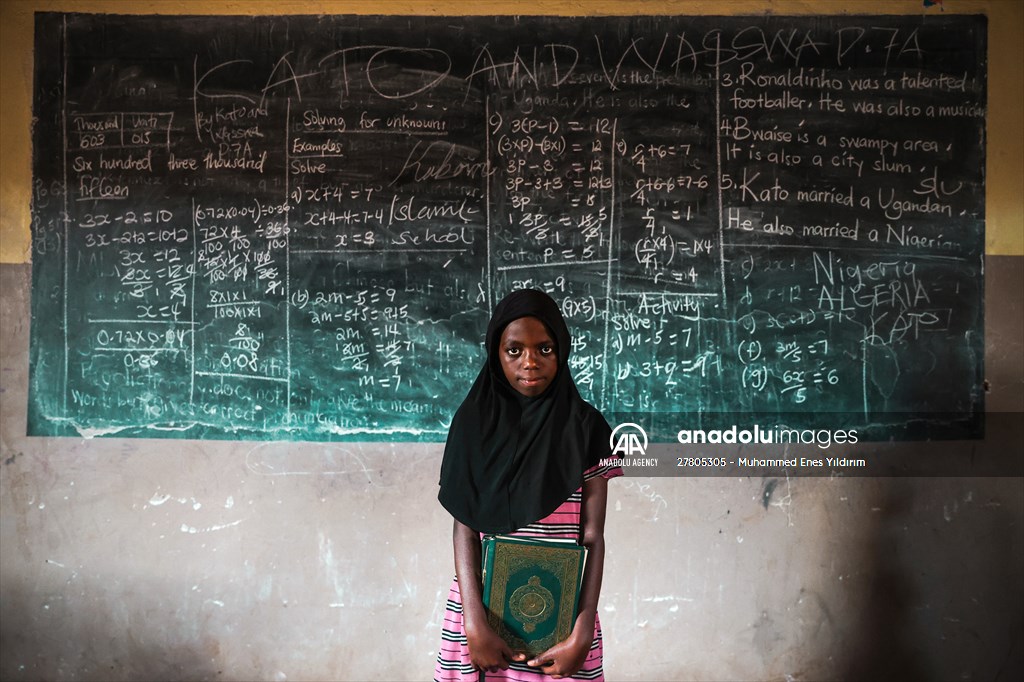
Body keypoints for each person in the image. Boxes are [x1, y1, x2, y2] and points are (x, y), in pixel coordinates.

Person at [435, 289, 622, 681]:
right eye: (514, 350)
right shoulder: (473, 425)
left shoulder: (586, 430)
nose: (531, 361)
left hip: (563, 620)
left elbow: (594, 537)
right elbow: (465, 528)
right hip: (483, 614)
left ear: (562, 351)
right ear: (495, 353)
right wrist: (474, 624)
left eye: (546, 348)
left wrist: (583, 628)